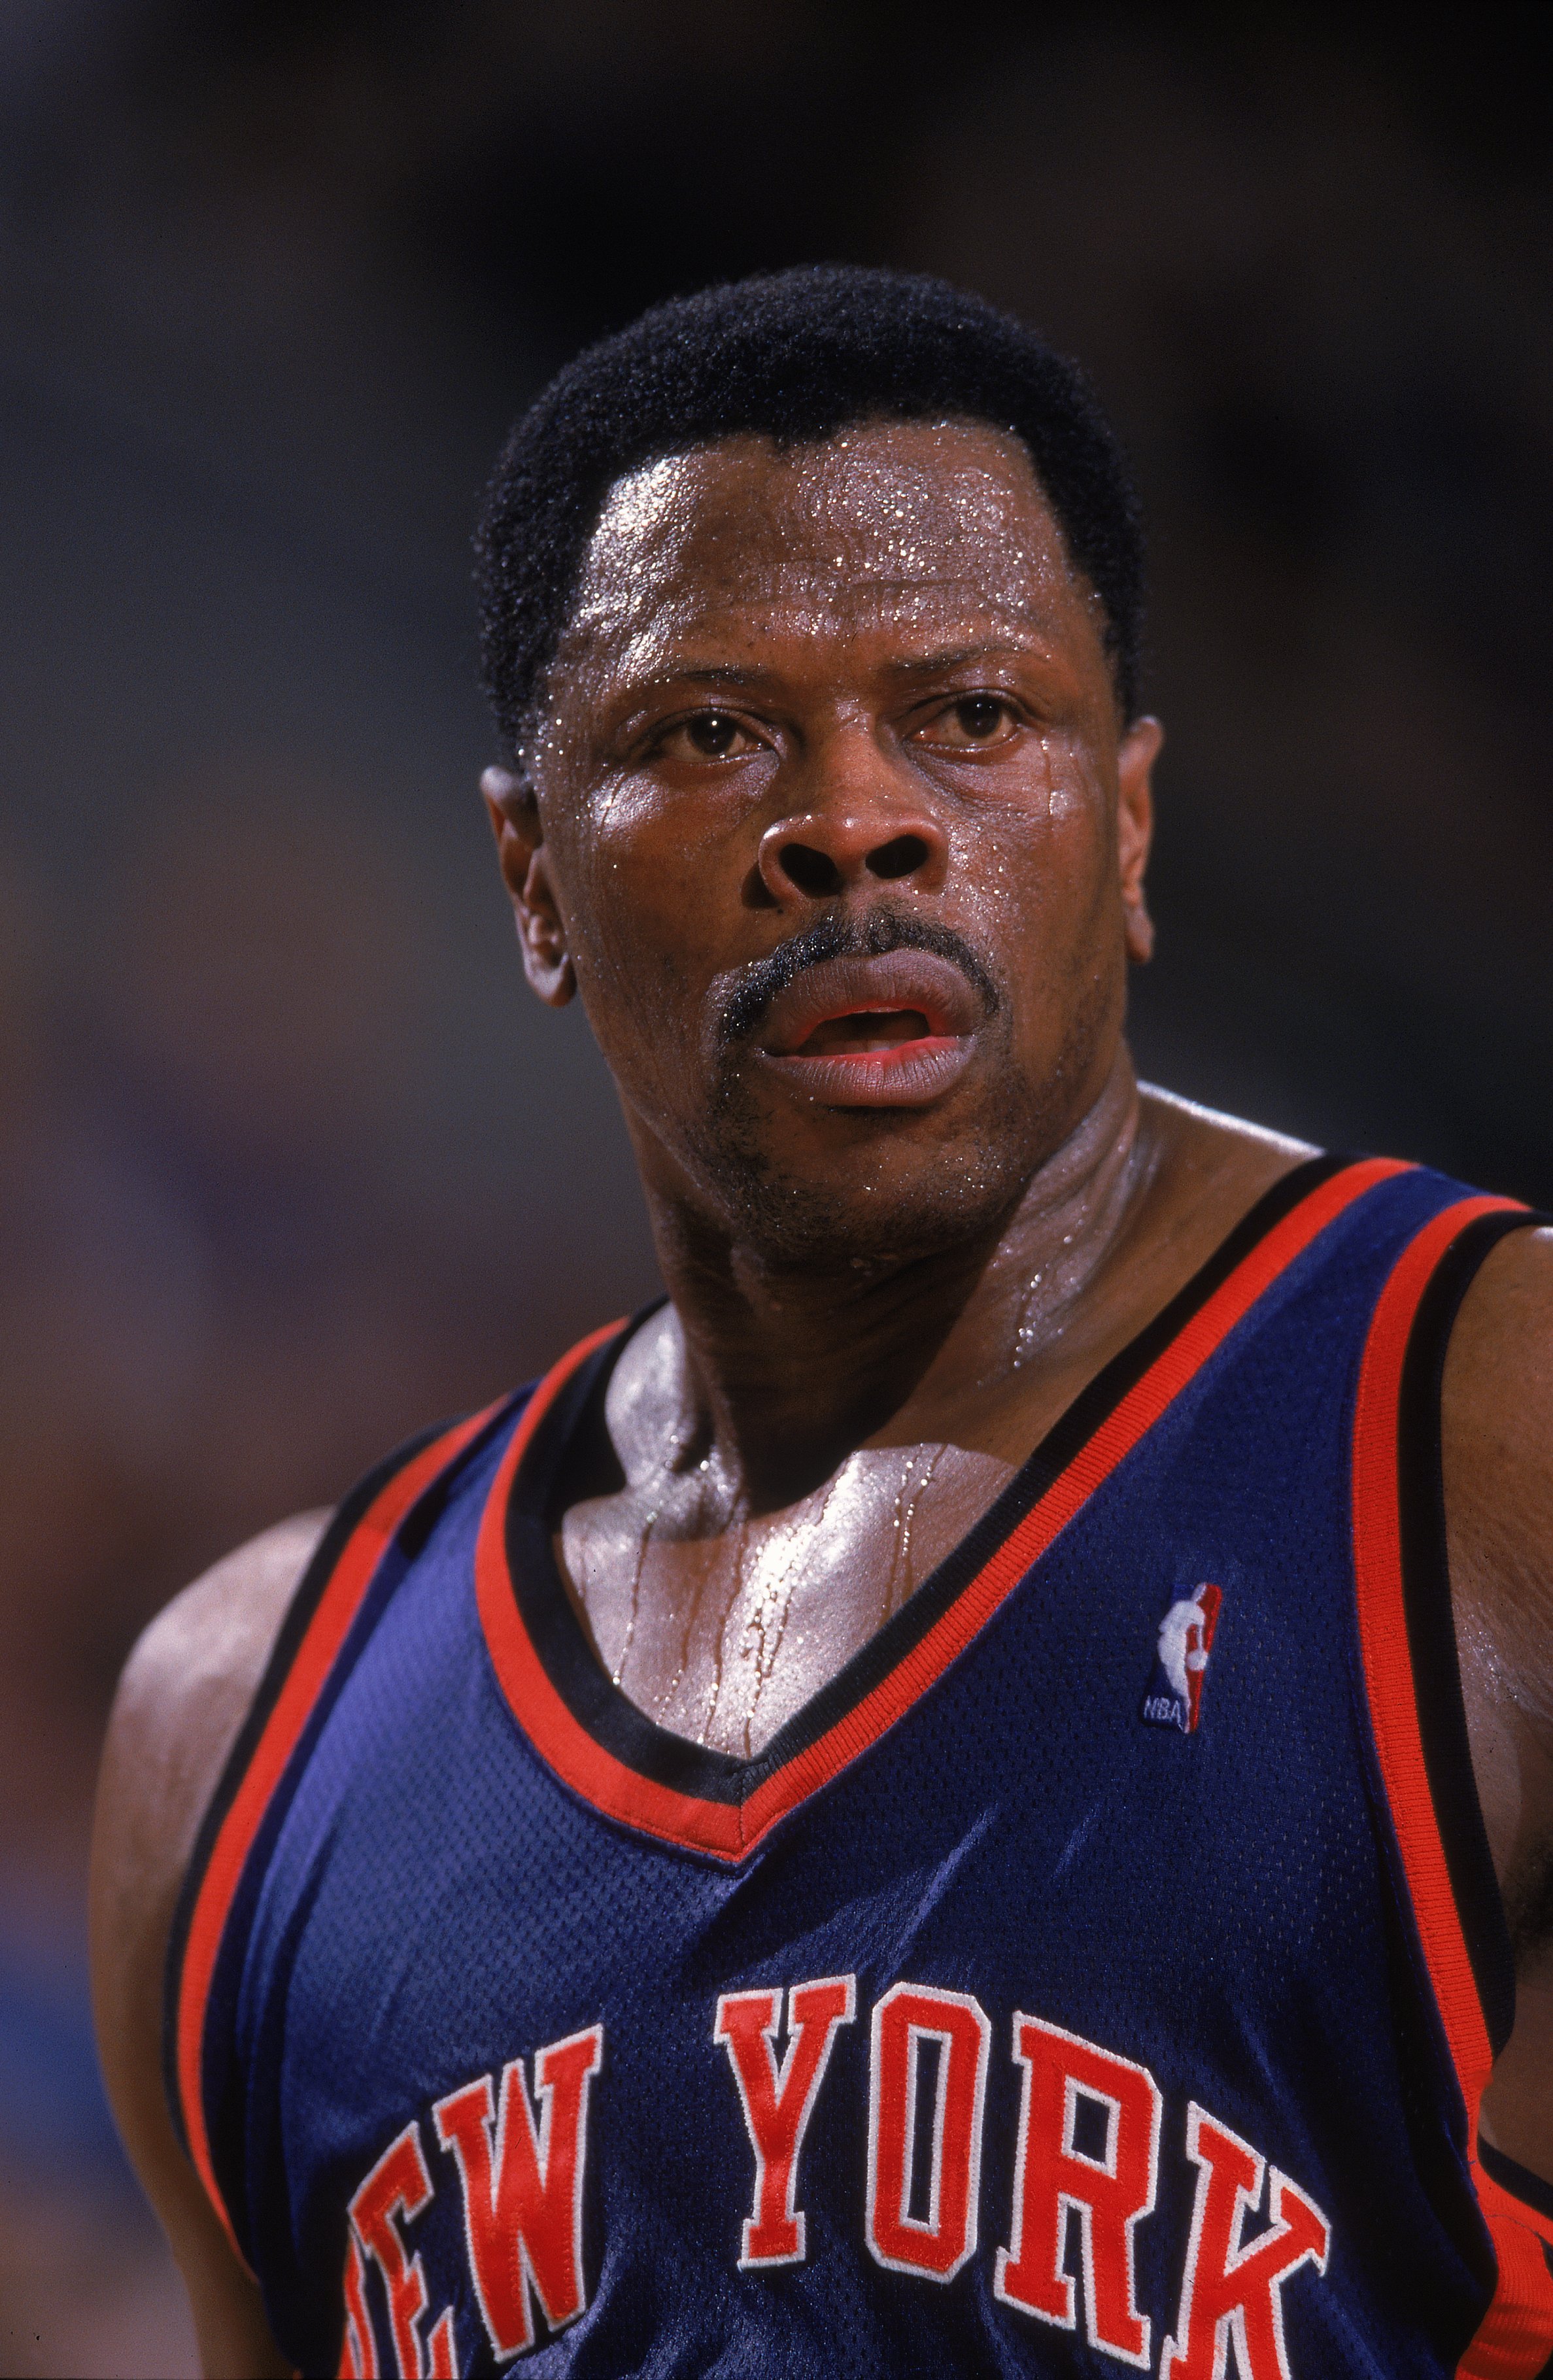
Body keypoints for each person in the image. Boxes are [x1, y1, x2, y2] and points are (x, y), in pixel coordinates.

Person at [90, 267, 1553, 2379]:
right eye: (710, 733)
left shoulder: (1482, 1431)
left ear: (1126, 823)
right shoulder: (240, 1734)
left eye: (970, 716)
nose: (855, 820)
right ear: (528, 883)